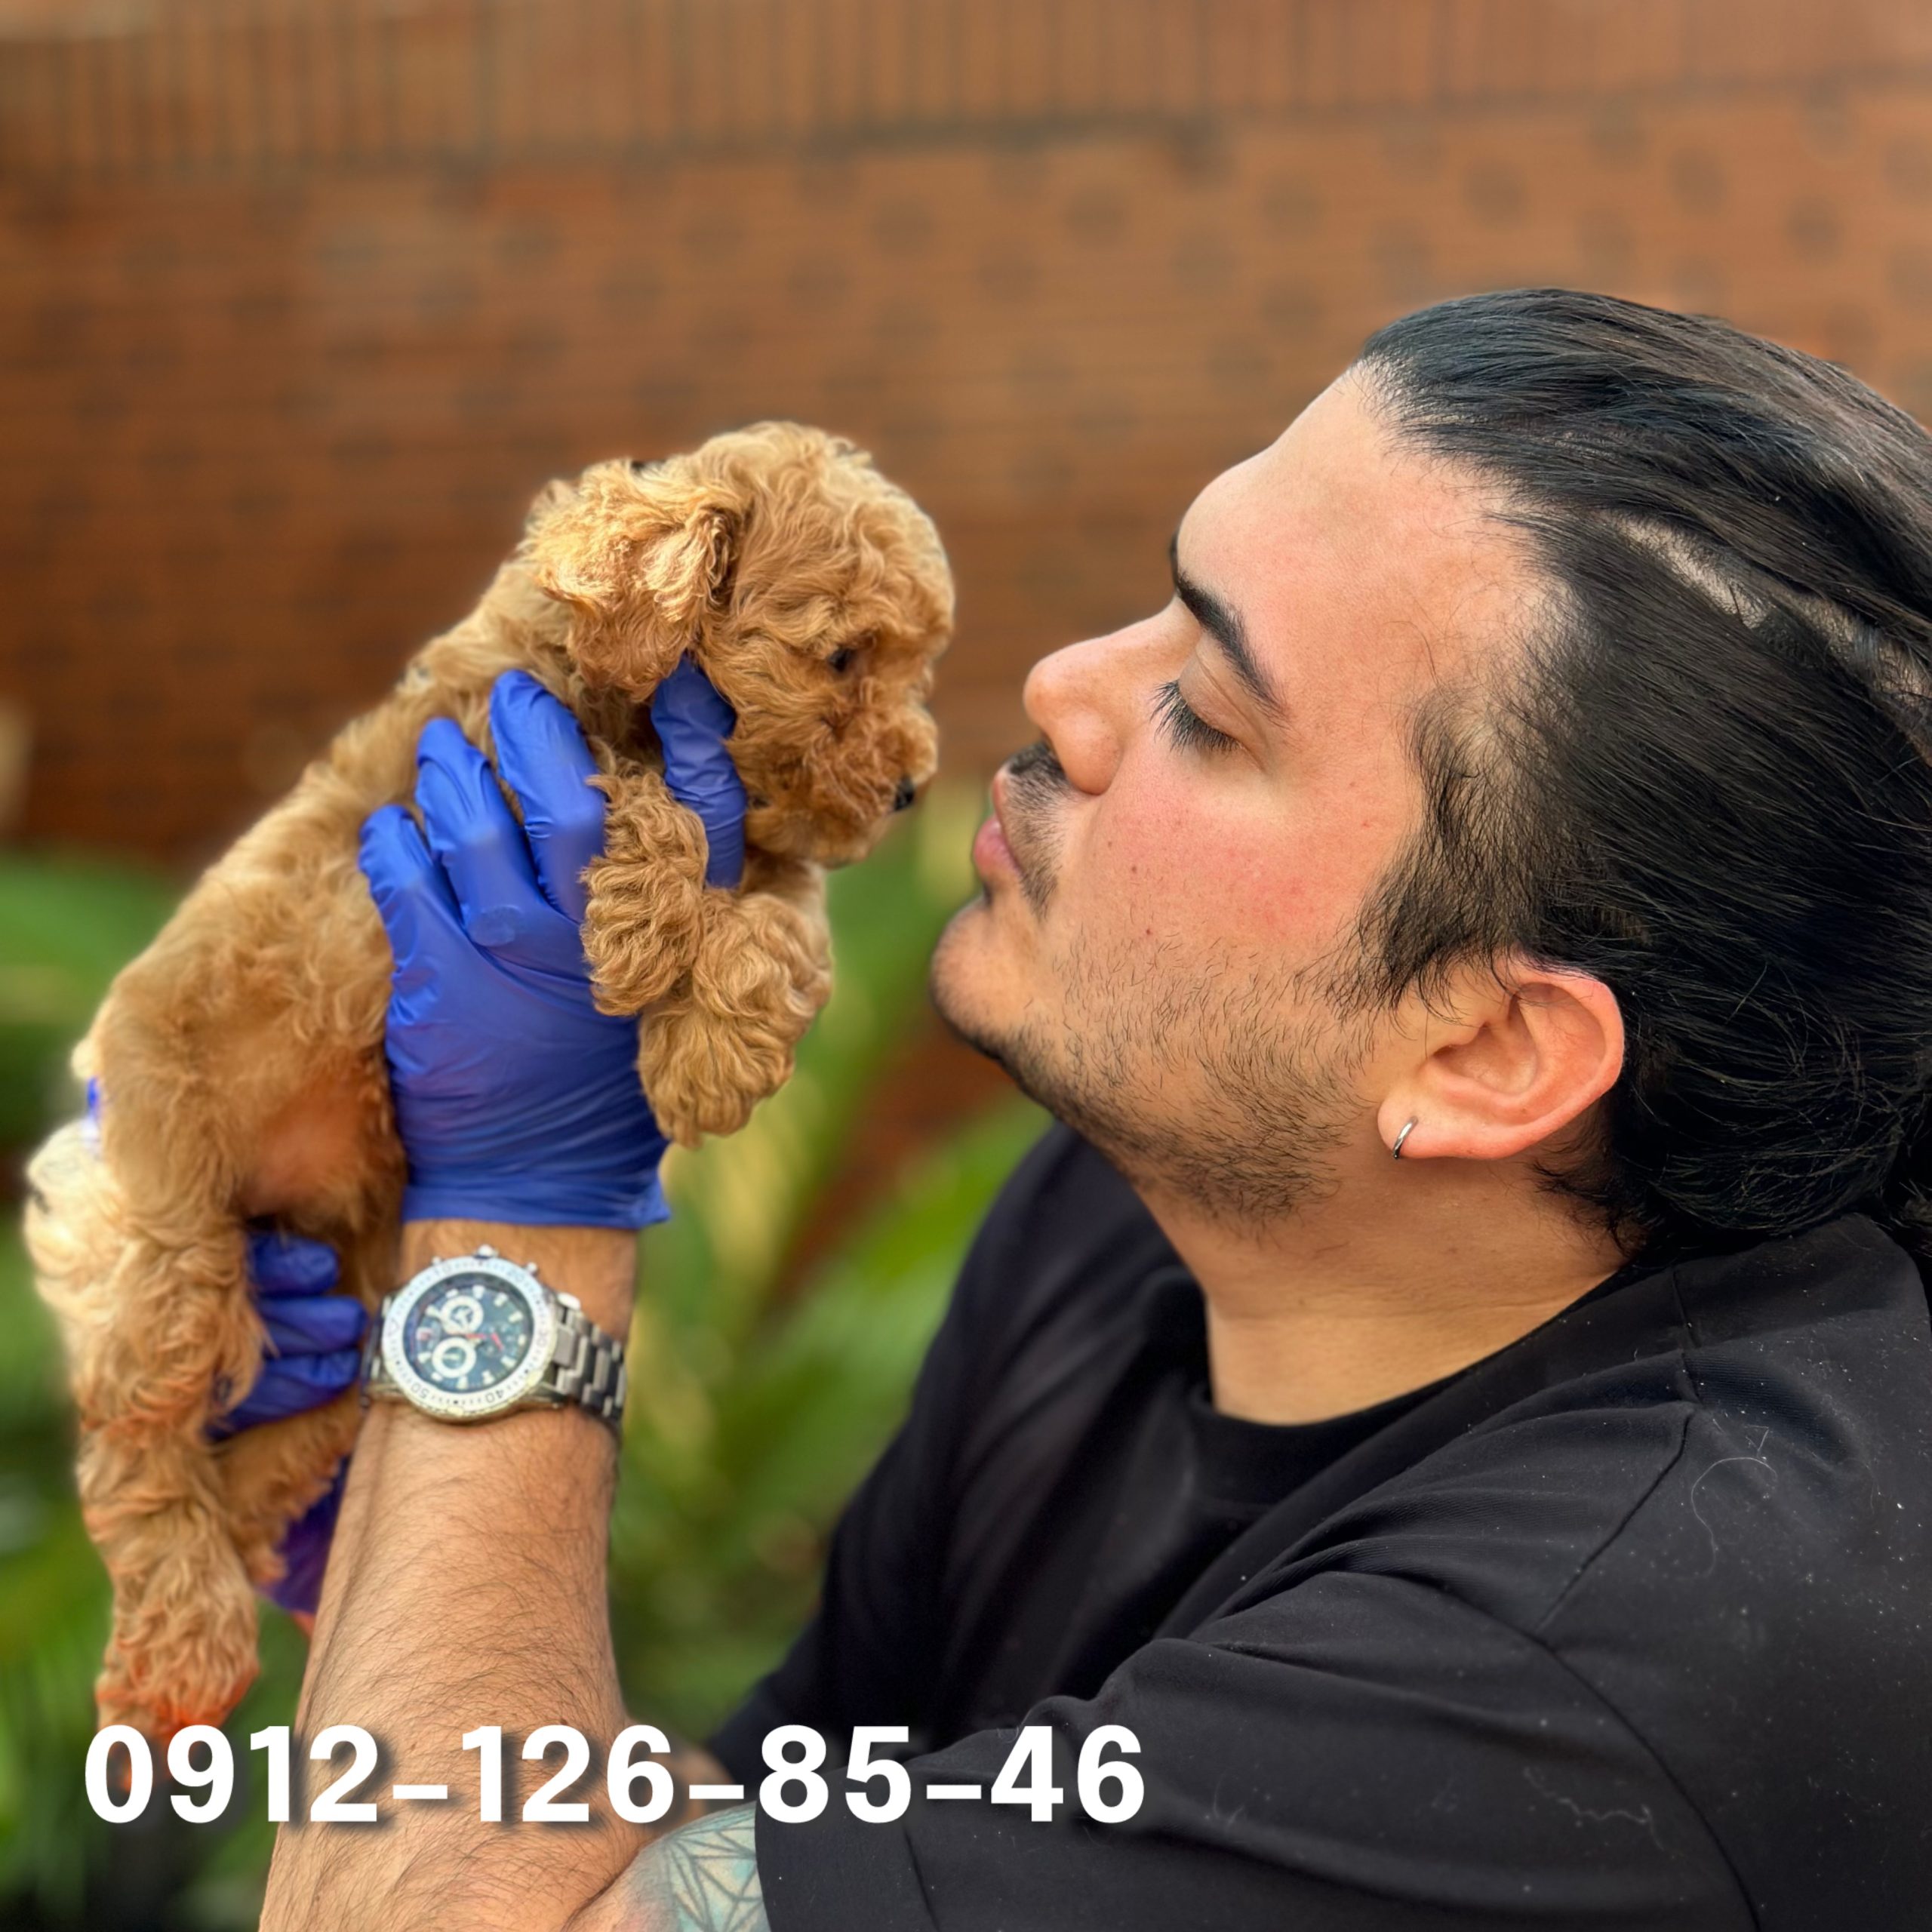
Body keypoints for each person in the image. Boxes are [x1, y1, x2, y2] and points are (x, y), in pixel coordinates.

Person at [253, 290, 1932, 1931]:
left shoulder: (1605, 1660)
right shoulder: (1138, 1216)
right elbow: (752, 1854)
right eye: (1163, 605)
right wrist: (400, 1532)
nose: (1064, 685)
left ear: (1487, 1050)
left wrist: (519, 1219)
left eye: (1205, 710)